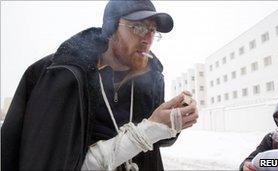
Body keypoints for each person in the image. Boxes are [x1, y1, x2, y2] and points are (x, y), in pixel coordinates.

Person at [1, 0, 199, 170]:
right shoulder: (64, 74)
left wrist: (172, 123)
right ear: (111, 28)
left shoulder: (151, 79)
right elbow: (49, 161)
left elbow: (156, 144)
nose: (147, 39)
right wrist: (147, 131)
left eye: (152, 30)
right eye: (138, 27)